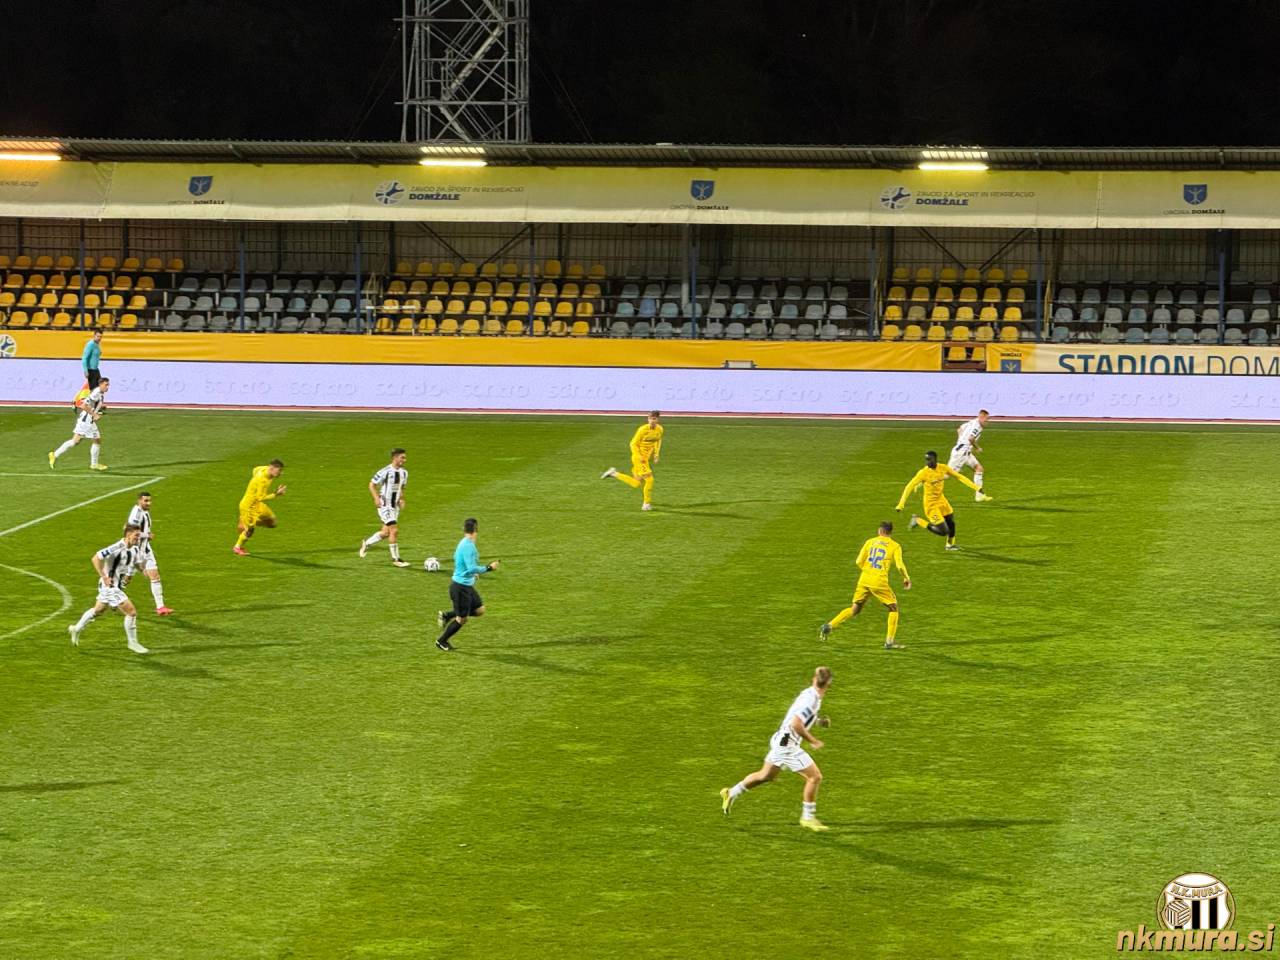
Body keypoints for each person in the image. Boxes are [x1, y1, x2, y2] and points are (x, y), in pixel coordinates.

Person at [720, 666, 833, 832]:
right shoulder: (812, 700)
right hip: (787, 744)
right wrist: (813, 741)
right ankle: (808, 818)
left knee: (766, 775)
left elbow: (800, 715)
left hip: (781, 739)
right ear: (829, 684)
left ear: (814, 679)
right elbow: (796, 723)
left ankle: (730, 793)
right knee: (815, 777)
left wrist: (819, 722)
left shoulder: (809, 694)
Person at [819, 521, 911, 650]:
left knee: (854, 609)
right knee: (893, 608)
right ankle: (889, 642)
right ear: (890, 532)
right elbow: (900, 565)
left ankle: (829, 625)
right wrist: (906, 577)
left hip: (864, 579)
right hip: (879, 581)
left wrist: (868, 571)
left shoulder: (870, 542)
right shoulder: (895, 546)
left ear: (880, 531)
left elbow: (858, 561)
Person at [68, 524, 149, 654]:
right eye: (136, 535)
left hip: (116, 586)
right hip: (109, 586)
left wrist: (143, 571)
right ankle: (133, 643)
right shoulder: (117, 547)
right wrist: (104, 577)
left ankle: (76, 629)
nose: (138, 538)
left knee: (98, 610)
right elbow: (95, 558)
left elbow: (135, 563)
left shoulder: (134, 549)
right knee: (131, 612)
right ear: (128, 535)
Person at [896, 450, 990, 551]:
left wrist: (976, 488)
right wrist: (901, 504)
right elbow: (909, 487)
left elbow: (959, 477)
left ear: (935, 459)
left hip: (942, 500)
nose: (928, 462)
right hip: (931, 505)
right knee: (943, 531)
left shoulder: (943, 468)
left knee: (951, 523)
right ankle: (918, 520)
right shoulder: (923, 473)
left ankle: (950, 545)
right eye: (926, 460)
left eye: (930, 460)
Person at [435, 517, 499, 651]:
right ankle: (441, 641)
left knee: (479, 610)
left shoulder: (464, 542)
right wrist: (489, 568)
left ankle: (448, 615)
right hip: (460, 588)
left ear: (464, 529)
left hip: (466, 585)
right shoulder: (468, 546)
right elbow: (471, 568)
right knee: (461, 619)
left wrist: (470, 574)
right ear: (476, 529)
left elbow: (457, 559)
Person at [601, 410, 664, 511]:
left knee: (636, 483)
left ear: (657, 419)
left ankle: (614, 473)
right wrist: (639, 456)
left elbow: (658, 440)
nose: (652, 421)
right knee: (650, 480)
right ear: (648, 419)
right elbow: (633, 443)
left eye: (654, 419)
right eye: (650, 419)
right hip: (639, 459)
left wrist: (656, 454)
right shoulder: (642, 430)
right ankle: (646, 504)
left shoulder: (660, 429)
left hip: (645, 459)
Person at [359, 448, 410, 567]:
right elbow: (372, 484)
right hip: (384, 505)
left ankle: (366, 543)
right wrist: (376, 498)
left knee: (386, 533)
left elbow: (401, 487)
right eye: (402, 457)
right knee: (394, 530)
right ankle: (396, 559)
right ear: (395, 457)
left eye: (405, 458)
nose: (404, 460)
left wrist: (401, 499)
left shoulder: (404, 473)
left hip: (394, 506)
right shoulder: (385, 471)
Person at [126, 491, 174, 616]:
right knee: (126, 579)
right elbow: (128, 531)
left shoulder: (145, 511)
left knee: (155, 576)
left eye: (149, 500)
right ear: (139, 501)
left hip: (146, 549)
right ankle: (110, 596)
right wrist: (146, 535)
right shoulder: (136, 514)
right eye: (146, 501)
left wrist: (146, 537)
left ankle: (160, 607)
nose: (149, 503)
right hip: (135, 551)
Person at [49, 377, 110, 471]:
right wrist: (94, 415)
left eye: (108, 385)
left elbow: (92, 404)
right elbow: (83, 405)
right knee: (97, 441)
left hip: (84, 420)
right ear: (101, 384)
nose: (108, 387)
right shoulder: (96, 393)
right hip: (87, 422)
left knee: (75, 441)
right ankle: (94, 464)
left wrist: (101, 407)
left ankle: (54, 454)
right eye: (106, 385)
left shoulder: (100, 393)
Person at [233, 459, 286, 555]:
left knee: (272, 523)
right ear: (272, 468)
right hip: (249, 507)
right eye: (279, 471)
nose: (280, 473)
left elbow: (254, 469)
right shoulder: (263, 481)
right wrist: (276, 494)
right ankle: (237, 547)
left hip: (257, 504)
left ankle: (245, 520)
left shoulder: (263, 469)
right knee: (250, 531)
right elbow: (261, 497)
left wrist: (253, 485)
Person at [948, 410, 994, 502]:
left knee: (979, 469)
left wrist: (961, 441)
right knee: (947, 474)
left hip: (965, 451)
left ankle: (979, 496)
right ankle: (925, 479)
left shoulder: (972, 422)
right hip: (961, 453)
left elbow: (959, 429)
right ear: (981, 417)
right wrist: (977, 448)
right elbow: (971, 438)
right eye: (986, 419)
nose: (987, 422)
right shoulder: (977, 426)